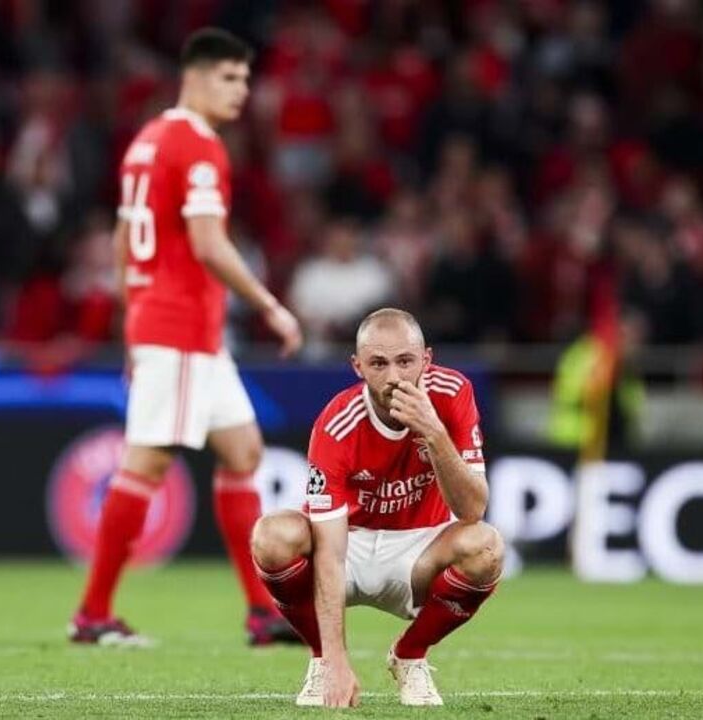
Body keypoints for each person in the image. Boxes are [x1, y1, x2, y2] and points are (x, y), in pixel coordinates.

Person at [70, 28, 305, 647]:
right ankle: (92, 613)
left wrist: (131, 324)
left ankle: (260, 613)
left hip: (182, 331)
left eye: (245, 79)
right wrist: (270, 306)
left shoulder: (147, 141)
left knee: (243, 451)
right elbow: (208, 243)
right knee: (146, 462)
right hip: (178, 329)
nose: (241, 91)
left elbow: (124, 242)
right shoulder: (198, 146)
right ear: (194, 77)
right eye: (229, 78)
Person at [251, 308, 504, 707]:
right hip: (347, 546)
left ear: (427, 359)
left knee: (486, 546)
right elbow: (329, 554)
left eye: (405, 361)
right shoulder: (337, 424)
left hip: (420, 550)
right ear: (358, 367)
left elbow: (473, 509)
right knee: (271, 536)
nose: (394, 377)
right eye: (378, 364)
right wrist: (336, 659)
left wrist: (434, 431)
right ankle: (321, 663)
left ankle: (410, 655)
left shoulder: (453, 393)